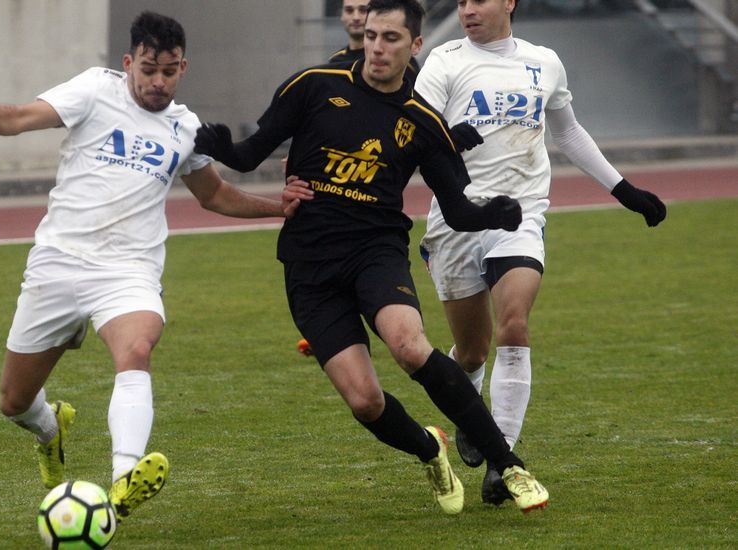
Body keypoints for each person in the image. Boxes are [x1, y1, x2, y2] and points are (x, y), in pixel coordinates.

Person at [0, 11, 306, 522]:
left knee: (137, 348)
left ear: (182, 67)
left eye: (168, 71)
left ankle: (125, 476)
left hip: (127, 270)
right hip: (58, 261)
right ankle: (50, 428)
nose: (157, 82)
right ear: (128, 63)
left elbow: (215, 196)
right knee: (14, 401)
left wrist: (278, 208)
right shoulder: (93, 91)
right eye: (148, 69)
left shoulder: (185, 126)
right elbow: (17, 118)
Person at [195, 0, 548, 514]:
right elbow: (251, 154)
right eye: (372, 36)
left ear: (415, 46)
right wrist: (222, 146)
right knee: (365, 400)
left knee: (410, 347)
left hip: (375, 252)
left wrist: (496, 212)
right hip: (310, 265)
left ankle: (509, 463)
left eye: (391, 39)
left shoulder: (424, 120)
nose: (377, 49)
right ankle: (431, 451)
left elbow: (457, 209)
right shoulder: (313, 85)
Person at [414, 0, 666, 505]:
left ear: (508, 1)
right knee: (471, 352)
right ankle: (469, 408)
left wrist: (625, 191)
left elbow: (568, 131)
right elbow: (414, 134)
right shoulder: (443, 62)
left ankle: (502, 459)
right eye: (460, 1)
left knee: (516, 322)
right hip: (456, 217)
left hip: (521, 213)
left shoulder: (543, 62)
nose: (467, 9)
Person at [329, 0, 421, 75]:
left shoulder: (403, 64)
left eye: (363, 10)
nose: (356, 17)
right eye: (349, 10)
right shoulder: (335, 61)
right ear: (341, 15)